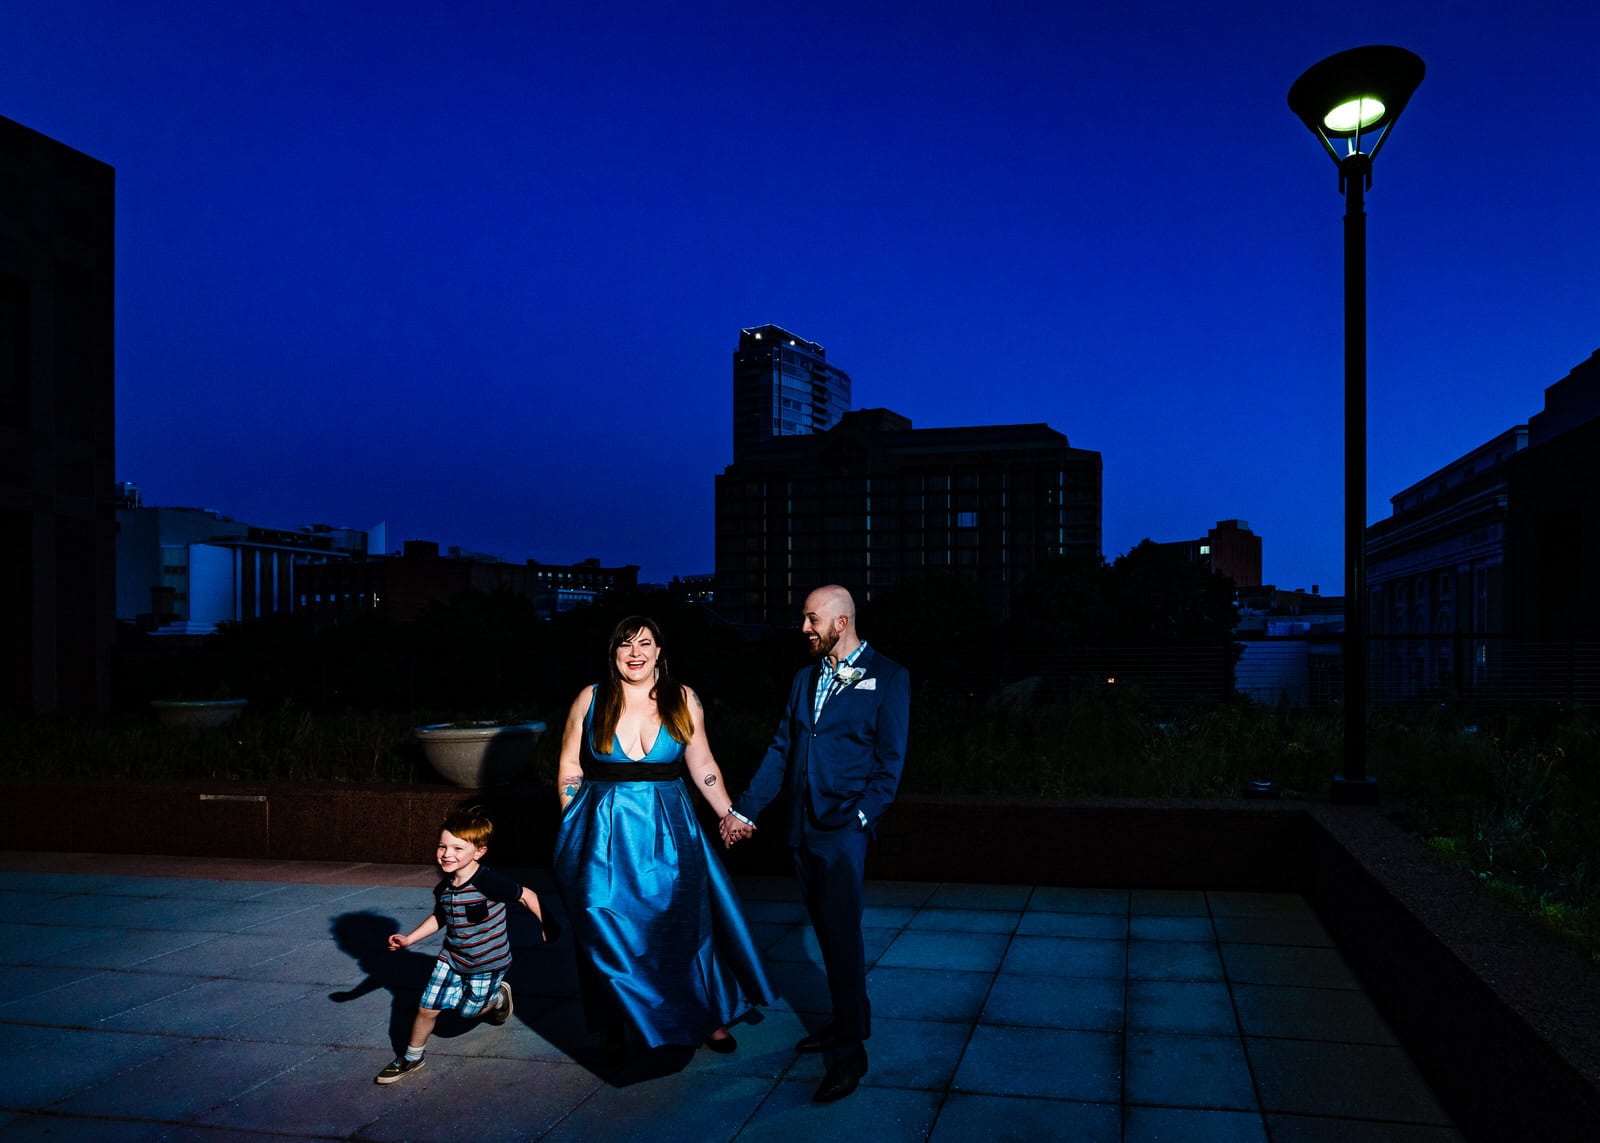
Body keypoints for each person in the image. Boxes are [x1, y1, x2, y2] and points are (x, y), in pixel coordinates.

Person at [722, 584, 909, 1104]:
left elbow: (890, 764)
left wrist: (860, 820)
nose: (803, 628)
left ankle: (850, 1053)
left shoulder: (889, 676)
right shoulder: (805, 678)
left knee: (842, 937)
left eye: (811, 619)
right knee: (828, 934)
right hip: (801, 829)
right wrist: (744, 810)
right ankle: (847, 1020)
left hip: (843, 832)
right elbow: (781, 749)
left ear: (840, 623)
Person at [553, 615, 772, 1058]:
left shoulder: (683, 698)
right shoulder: (591, 698)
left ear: (659, 652)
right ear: (614, 653)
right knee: (603, 920)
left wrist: (728, 813)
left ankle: (707, 1016)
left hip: (669, 825)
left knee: (683, 924)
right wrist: (571, 820)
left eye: (644, 644)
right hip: (604, 827)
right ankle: (617, 1016)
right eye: (625, 645)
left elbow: (703, 763)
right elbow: (570, 764)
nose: (635, 653)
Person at [375, 807, 558, 1084]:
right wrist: (410, 939)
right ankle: (412, 1057)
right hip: (451, 958)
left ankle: (498, 998)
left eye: (457, 848)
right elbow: (440, 917)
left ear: (479, 852)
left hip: (488, 962)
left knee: (468, 1012)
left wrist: (547, 923)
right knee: (426, 1008)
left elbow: (525, 895)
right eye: (442, 846)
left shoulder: (489, 882)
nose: (446, 854)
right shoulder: (445, 888)